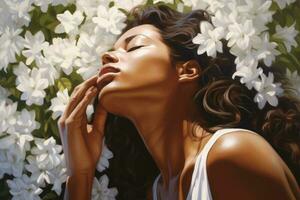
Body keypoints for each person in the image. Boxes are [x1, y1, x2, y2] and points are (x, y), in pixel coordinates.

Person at [58, 4, 300, 200]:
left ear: (187, 70)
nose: (107, 56)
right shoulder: (157, 192)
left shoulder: (232, 154)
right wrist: (80, 175)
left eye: (134, 47)